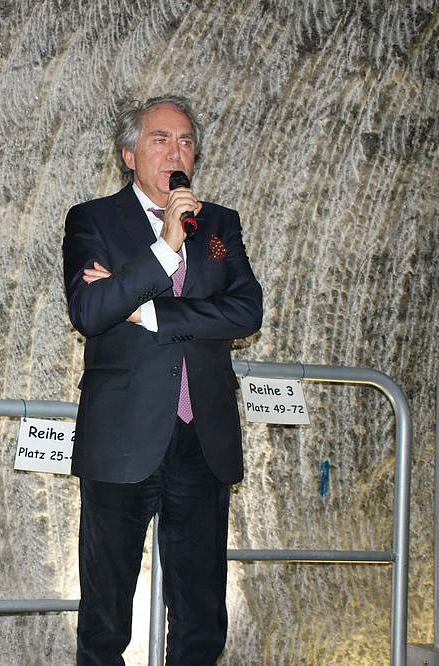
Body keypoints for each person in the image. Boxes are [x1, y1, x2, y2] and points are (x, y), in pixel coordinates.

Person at [62, 95, 264, 664]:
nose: (176, 152)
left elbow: (246, 311)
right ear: (129, 155)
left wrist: (148, 312)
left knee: (201, 616)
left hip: (203, 440)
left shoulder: (219, 224)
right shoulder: (93, 219)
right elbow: (90, 310)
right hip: (122, 438)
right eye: (161, 139)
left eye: (186, 141)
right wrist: (166, 247)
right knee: (105, 617)